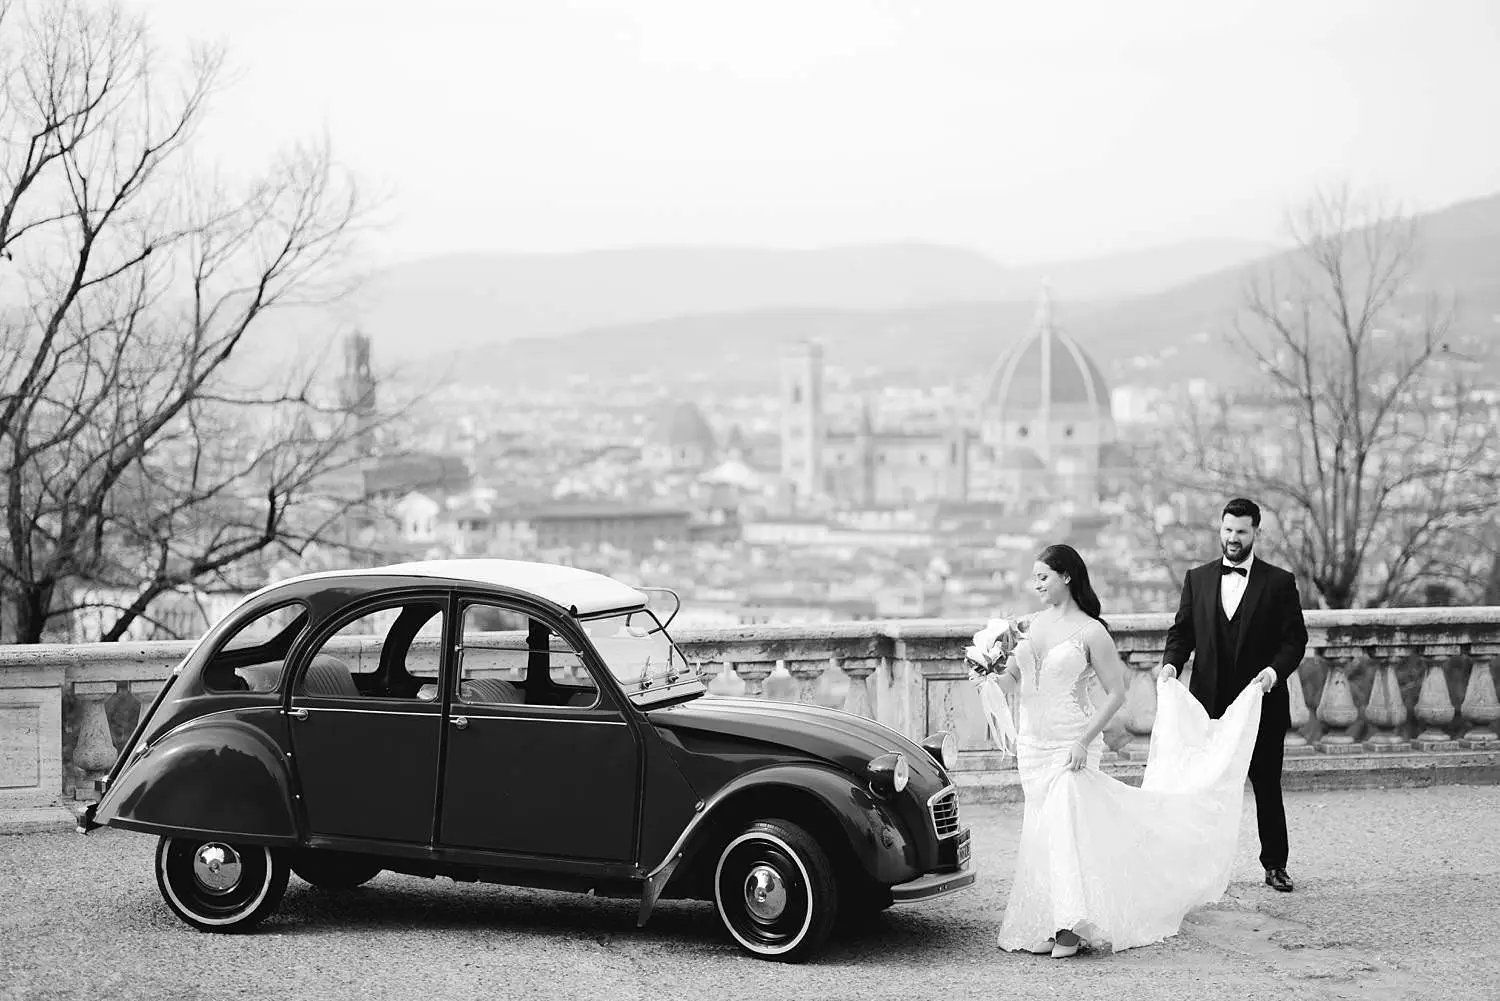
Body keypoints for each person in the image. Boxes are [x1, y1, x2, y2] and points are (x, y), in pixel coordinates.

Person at [973, 544, 1266, 957]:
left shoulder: (1092, 631)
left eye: (1043, 577)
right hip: (1033, 746)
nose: (1036, 584)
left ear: (1067, 577)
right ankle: (1052, 920)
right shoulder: (1028, 627)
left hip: (1070, 744)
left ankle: (1072, 929)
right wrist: (987, 674)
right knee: (1045, 834)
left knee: (1065, 827)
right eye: (1035, 577)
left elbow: (1116, 693)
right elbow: (1013, 683)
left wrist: (1082, 741)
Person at [1156, 497, 1309, 893]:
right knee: (1202, 789)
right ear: (1220, 530)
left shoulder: (1279, 582)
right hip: (1208, 707)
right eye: (1227, 530)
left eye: (1241, 531)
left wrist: (1273, 674)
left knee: (1267, 787)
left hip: (1263, 706)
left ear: (1256, 532)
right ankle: (1194, 871)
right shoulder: (1198, 578)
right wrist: (1172, 664)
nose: (1233, 538)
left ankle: (1275, 865)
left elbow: (1295, 642)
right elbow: (1183, 632)